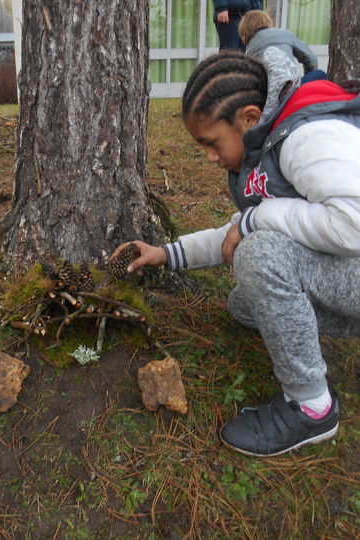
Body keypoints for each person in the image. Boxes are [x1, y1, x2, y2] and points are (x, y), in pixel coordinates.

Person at [112, 51, 360, 457]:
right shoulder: (268, 140)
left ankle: (312, 406)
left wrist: (253, 223)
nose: (209, 157)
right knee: (246, 303)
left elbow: (352, 224)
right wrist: (165, 254)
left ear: (247, 118)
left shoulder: (305, 136)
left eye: (211, 143)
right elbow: (237, 230)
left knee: (259, 257)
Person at [239, 10, 326, 117]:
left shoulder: (249, 50)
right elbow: (311, 60)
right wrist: (307, 77)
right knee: (319, 74)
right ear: (267, 21)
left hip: (267, 100)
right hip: (291, 92)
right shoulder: (284, 34)